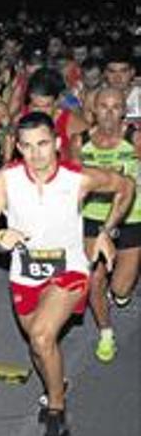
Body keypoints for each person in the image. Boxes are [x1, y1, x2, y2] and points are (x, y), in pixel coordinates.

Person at [0, 111, 134, 436]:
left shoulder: (78, 178)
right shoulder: (7, 179)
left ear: (57, 144)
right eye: (28, 147)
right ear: (18, 147)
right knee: (38, 346)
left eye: (43, 144)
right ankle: (55, 382)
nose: (37, 155)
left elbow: (126, 186)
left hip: (70, 269)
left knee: (43, 335)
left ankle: (56, 411)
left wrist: (107, 232)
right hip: (25, 273)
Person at [71, 87, 141, 363]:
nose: (109, 113)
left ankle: (120, 291)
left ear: (124, 111)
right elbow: (76, 180)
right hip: (94, 216)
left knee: (121, 290)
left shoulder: (135, 139)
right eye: (103, 107)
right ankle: (105, 331)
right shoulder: (80, 142)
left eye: (115, 107)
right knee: (94, 278)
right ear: (93, 110)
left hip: (132, 216)